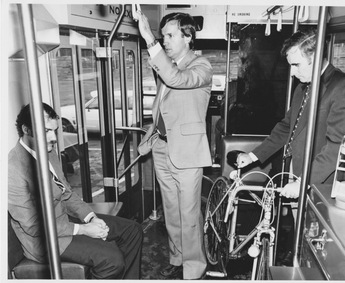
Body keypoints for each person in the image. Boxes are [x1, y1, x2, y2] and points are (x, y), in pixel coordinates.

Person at [236, 28, 345, 264]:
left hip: (319, 183)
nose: (292, 73)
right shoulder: (302, 88)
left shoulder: (344, 87)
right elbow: (287, 128)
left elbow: (337, 147)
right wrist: (254, 156)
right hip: (297, 174)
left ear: (314, 59)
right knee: (300, 235)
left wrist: (303, 179)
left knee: (315, 247)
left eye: (296, 65)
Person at [8, 103, 143, 279]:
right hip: (45, 240)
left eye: (54, 131)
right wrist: (84, 229)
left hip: (63, 219)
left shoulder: (48, 151)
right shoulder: (13, 169)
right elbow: (34, 226)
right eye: (46, 131)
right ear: (26, 129)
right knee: (112, 259)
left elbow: (66, 192)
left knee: (132, 230)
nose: (53, 137)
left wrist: (91, 217)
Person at [135, 11, 213, 280]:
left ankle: (194, 268)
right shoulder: (166, 65)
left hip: (187, 153)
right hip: (162, 148)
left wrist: (148, 38)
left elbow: (176, 80)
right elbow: (162, 107)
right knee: (171, 210)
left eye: (170, 35)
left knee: (189, 214)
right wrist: (152, 135)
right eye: (162, 35)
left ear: (188, 37)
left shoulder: (201, 67)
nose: (164, 40)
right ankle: (177, 258)